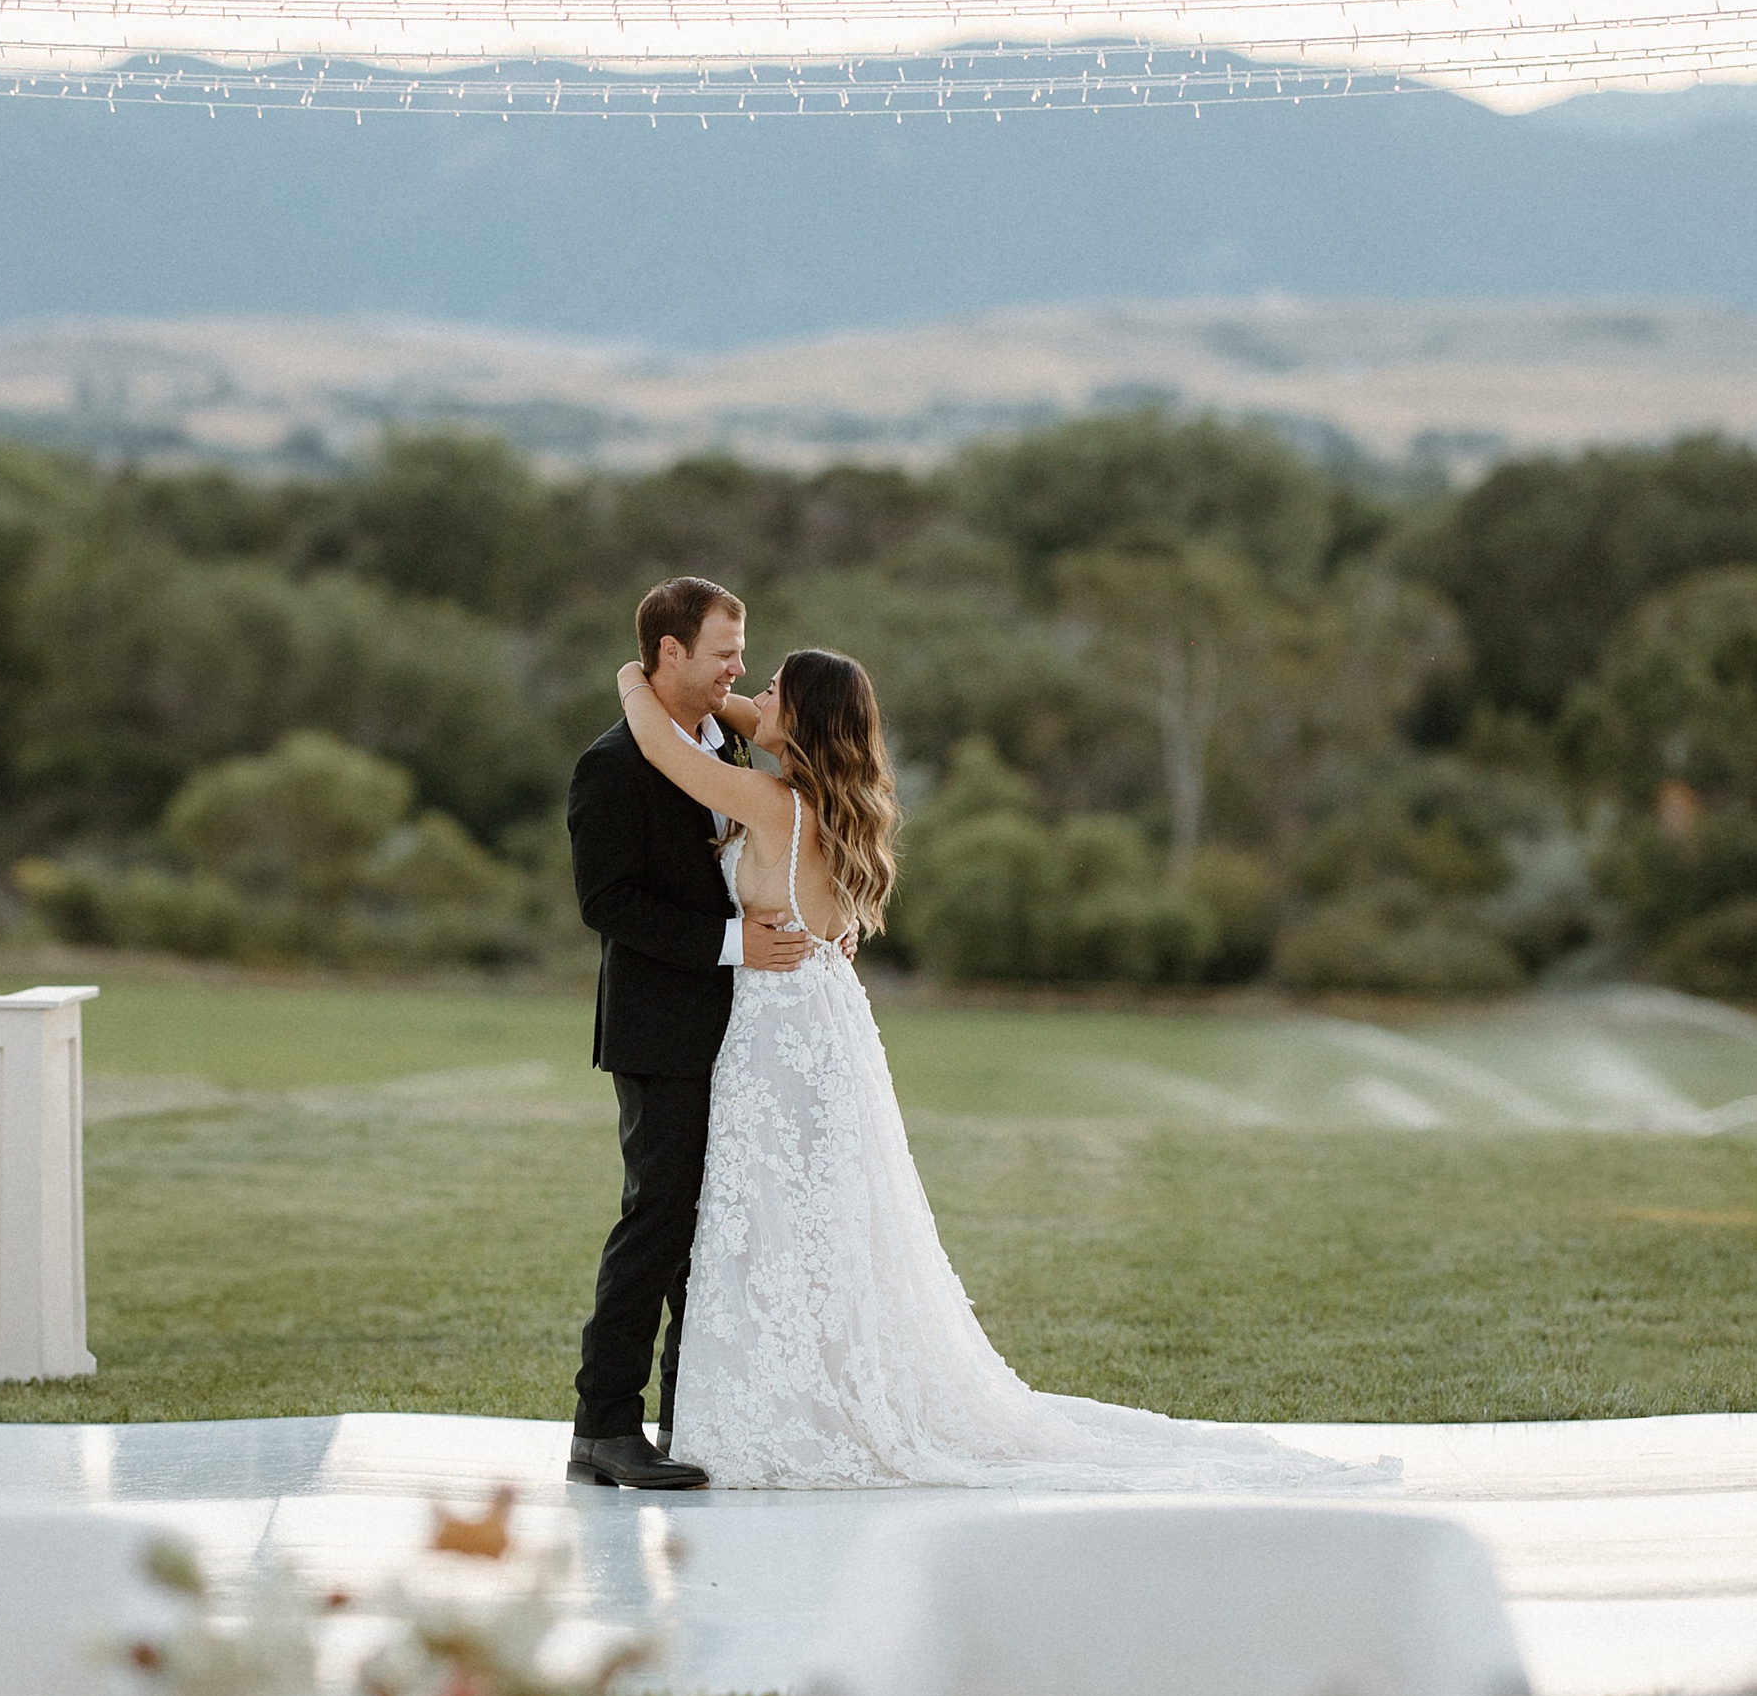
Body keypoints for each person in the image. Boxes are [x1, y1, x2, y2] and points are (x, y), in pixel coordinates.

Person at [612, 637, 1397, 1494]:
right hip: (826, 1027)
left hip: (777, 1038)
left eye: (769, 690)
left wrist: (637, 675)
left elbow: (657, 744)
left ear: (799, 721)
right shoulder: (830, 806)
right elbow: (756, 721)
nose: (750, 694)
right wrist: (733, 700)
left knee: (769, 1220)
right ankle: (809, 1391)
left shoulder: (771, 805)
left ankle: (790, 1406)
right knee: (819, 1226)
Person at [566, 576, 815, 1490]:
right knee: (659, 1219)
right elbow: (607, 903)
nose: (737, 674)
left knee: (719, 1232)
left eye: (743, 657)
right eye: (721, 655)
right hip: (660, 1030)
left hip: (750, 1035)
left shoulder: (732, 747)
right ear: (668, 652)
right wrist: (729, 944)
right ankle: (603, 1426)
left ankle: (692, 1418)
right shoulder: (612, 765)